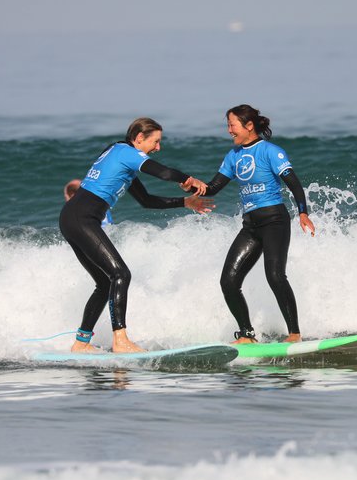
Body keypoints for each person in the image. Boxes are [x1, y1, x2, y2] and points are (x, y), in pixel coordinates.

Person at [59, 117, 212, 353]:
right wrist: (188, 180)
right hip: (82, 218)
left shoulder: (121, 159)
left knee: (103, 282)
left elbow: (146, 201)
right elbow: (163, 172)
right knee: (121, 274)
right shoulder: (125, 152)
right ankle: (120, 340)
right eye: (156, 142)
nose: (158, 148)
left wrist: (185, 202)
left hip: (73, 217)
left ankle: (81, 343)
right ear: (139, 138)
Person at [193, 104, 315, 344]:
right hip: (250, 226)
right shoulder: (233, 156)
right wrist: (191, 186)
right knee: (228, 280)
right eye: (227, 125)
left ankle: (294, 334)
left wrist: (303, 213)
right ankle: (247, 334)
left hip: (274, 221)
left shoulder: (270, 151)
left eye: (232, 125)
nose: (229, 130)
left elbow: (294, 183)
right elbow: (214, 187)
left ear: (249, 126)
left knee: (275, 276)